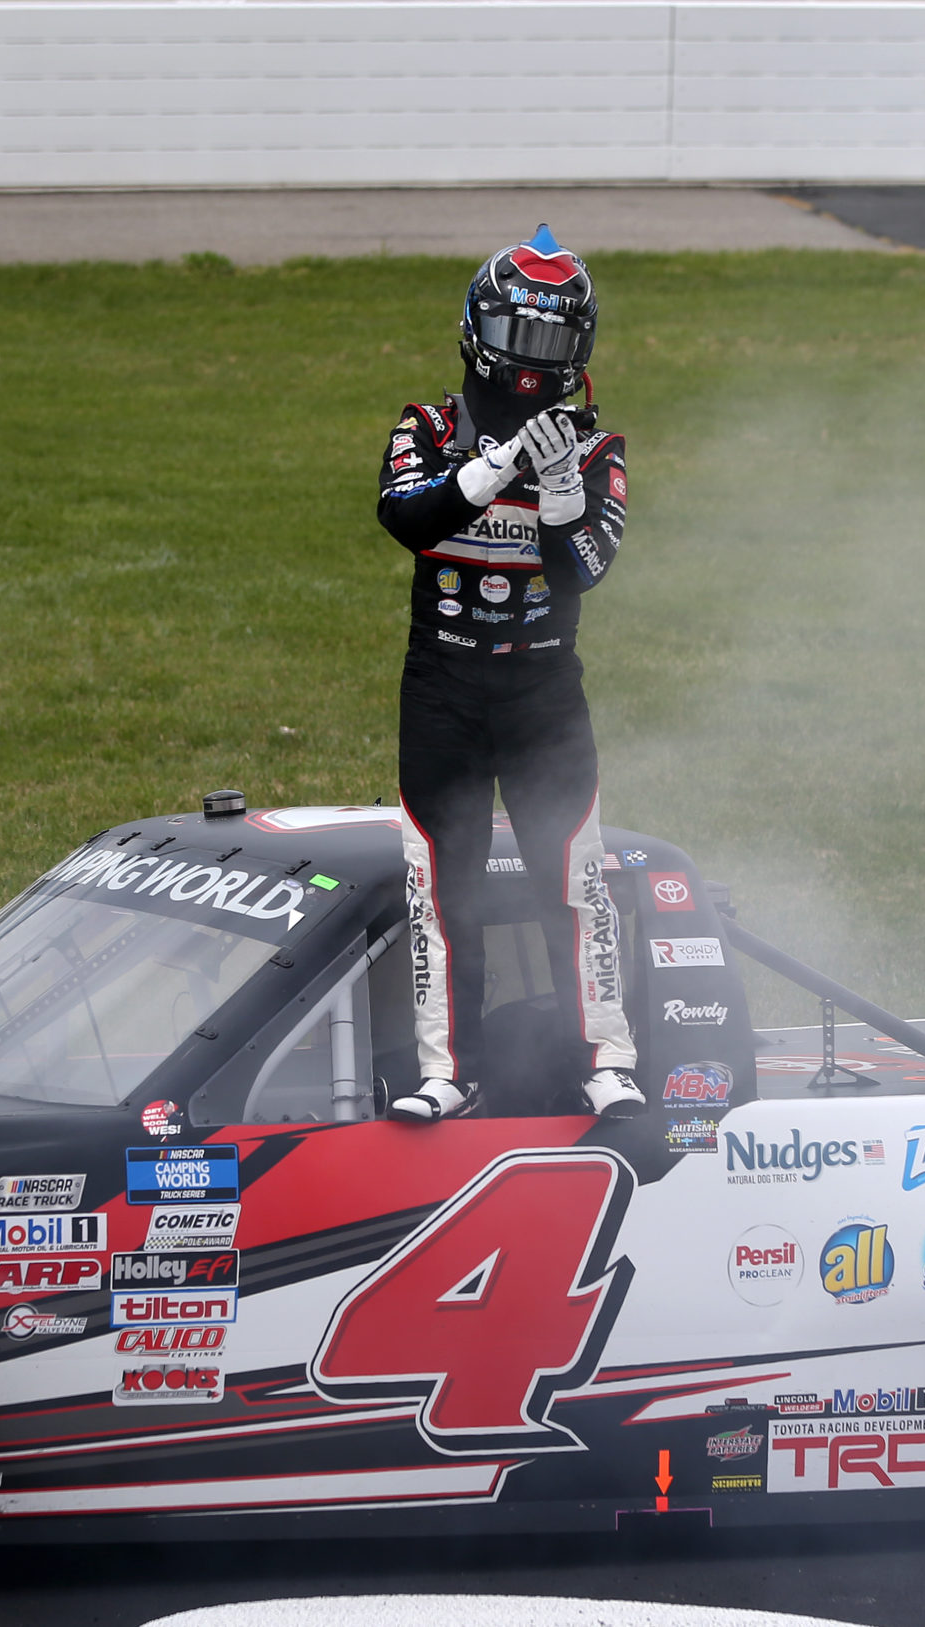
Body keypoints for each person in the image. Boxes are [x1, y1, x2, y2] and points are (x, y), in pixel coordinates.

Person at [373, 225, 643, 1124]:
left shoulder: (599, 457)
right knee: (440, 880)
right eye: (518, 337)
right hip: (441, 688)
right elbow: (407, 518)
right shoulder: (429, 427)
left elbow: (585, 571)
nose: (531, 365)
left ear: (580, 351)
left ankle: (605, 1059)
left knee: (575, 878)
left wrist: (562, 491)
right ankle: (450, 1068)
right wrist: (494, 469)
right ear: (477, 329)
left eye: (553, 343)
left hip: (542, 696)